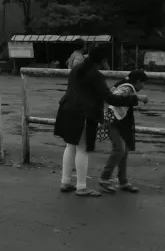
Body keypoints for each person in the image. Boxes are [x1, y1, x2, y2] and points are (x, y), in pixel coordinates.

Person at [53, 45, 145, 197]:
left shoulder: (77, 70)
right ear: (102, 60)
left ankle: (65, 182)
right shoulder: (96, 76)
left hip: (66, 109)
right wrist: (136, 98)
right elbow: (110, 98)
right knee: (82, 148)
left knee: (70, 146)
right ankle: (81, 187)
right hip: (82, 113)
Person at [98, 69, 148, 194]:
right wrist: (137, 98)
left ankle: (123, 181)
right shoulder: (127, 88)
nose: (144, 86)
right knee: (120, 149)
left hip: (115, 121)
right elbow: (113, 99)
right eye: (144, 83)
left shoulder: (125, 86)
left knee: (123, 150)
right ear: (138, 81)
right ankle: (104, 178)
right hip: (112, 120)